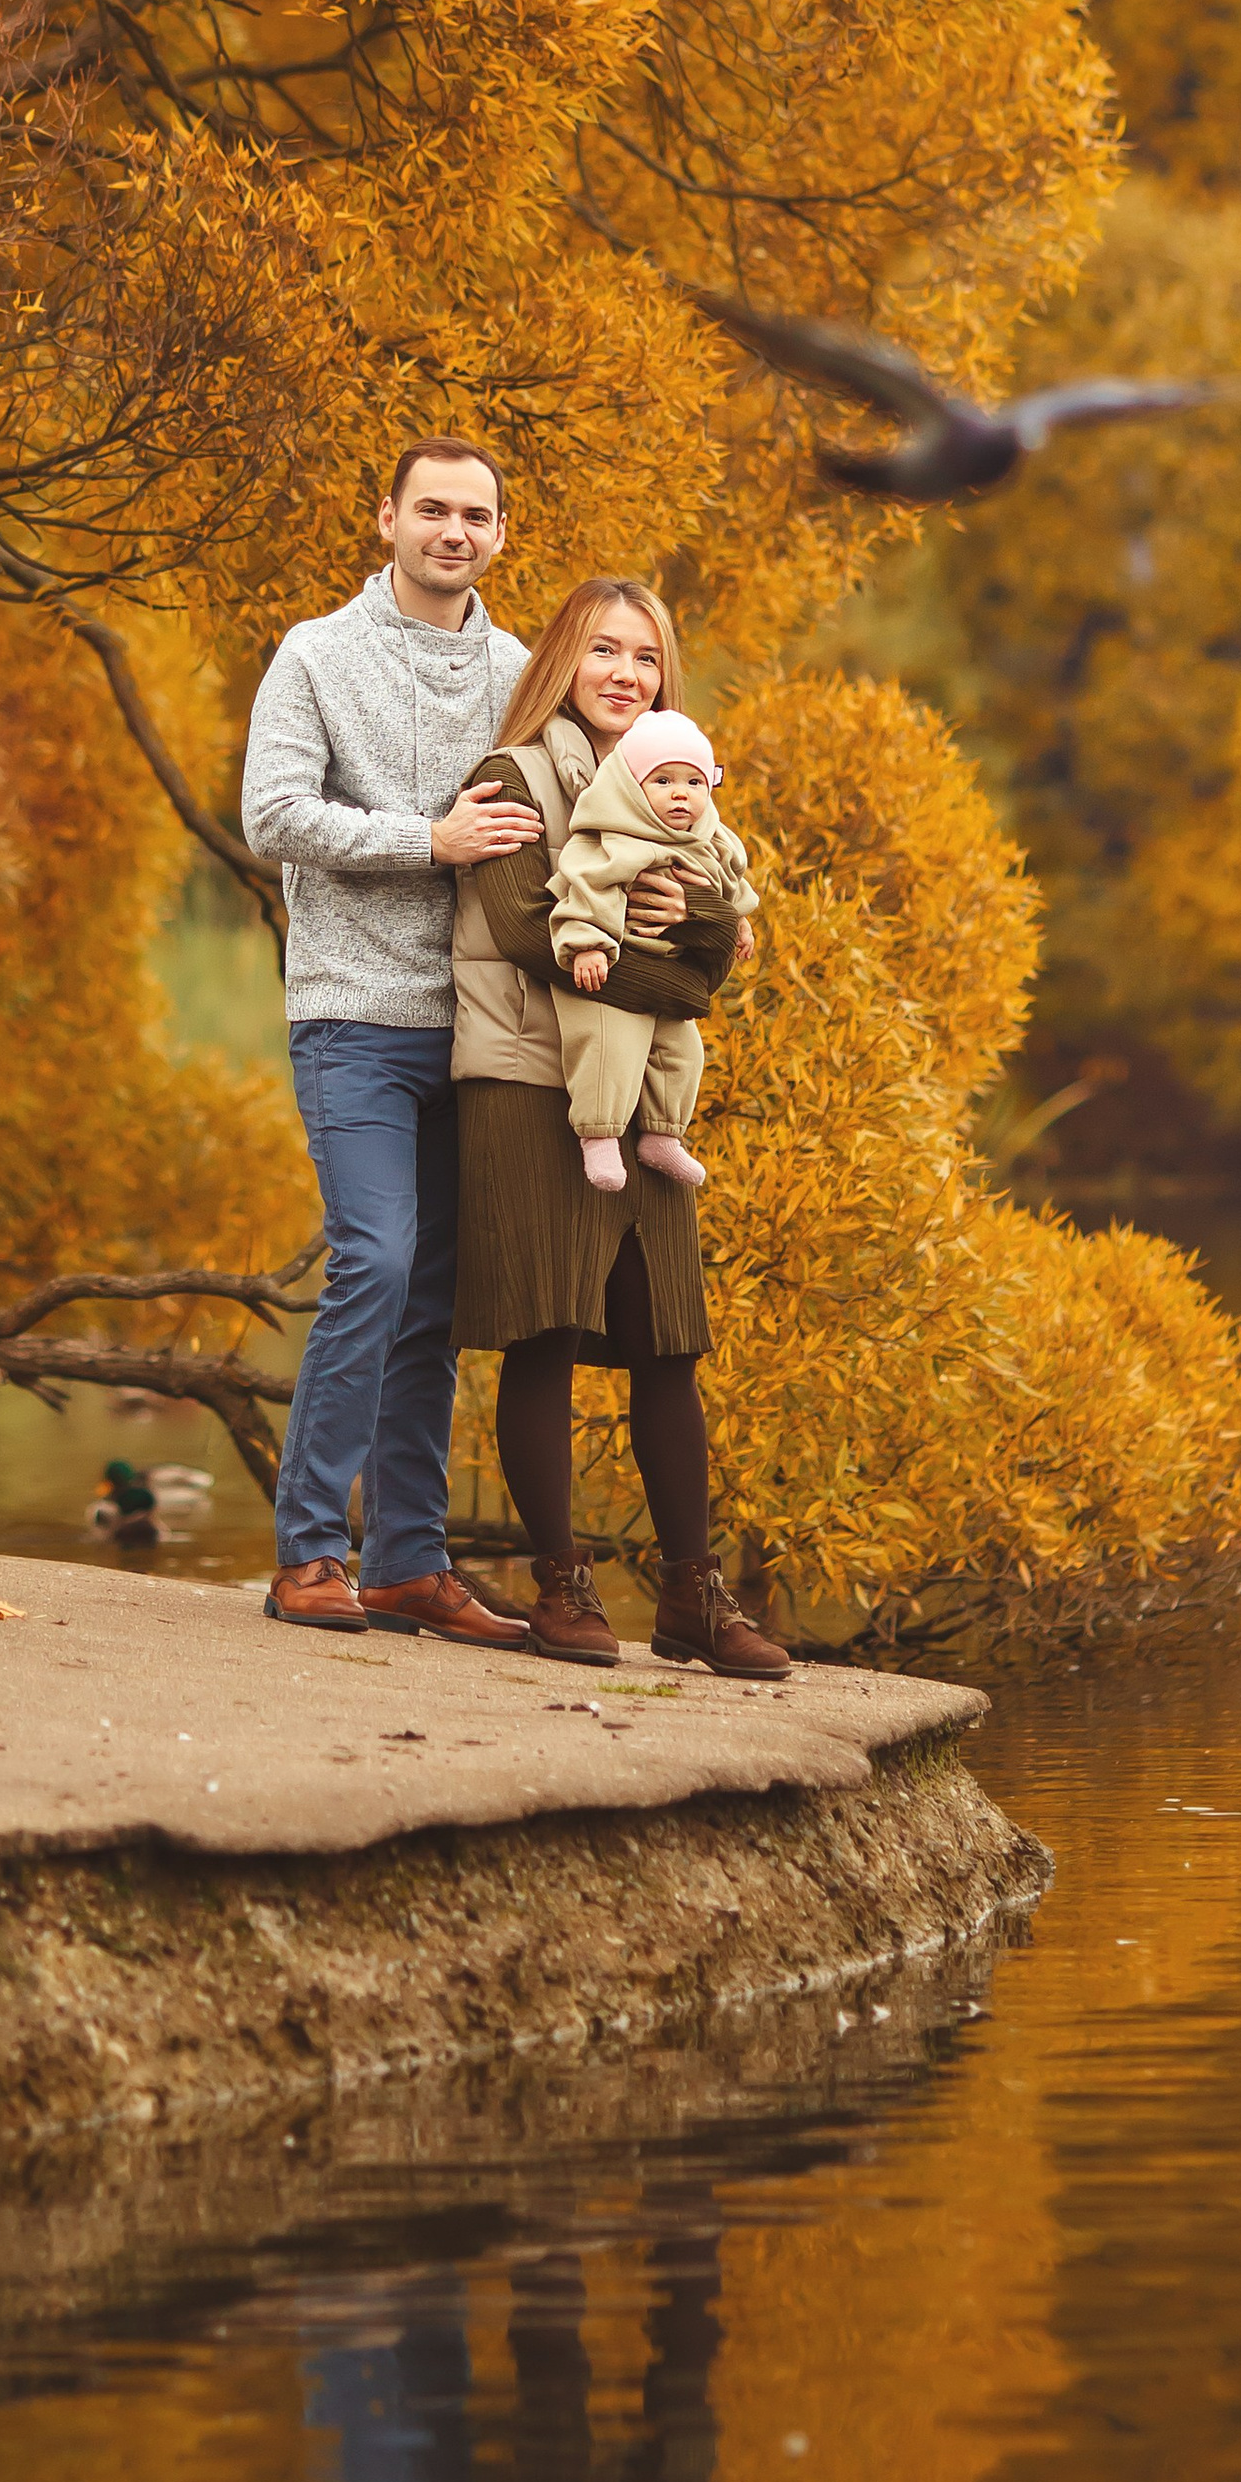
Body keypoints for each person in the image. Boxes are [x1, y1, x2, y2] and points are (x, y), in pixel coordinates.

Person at [448, 578, 791, 1681]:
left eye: (643, 657)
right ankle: (561, 1582)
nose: (624, 673)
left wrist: (688, 934)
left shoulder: (679, 789)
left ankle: (691, 1594)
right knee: (546, 1335)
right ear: (563, 660)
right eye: (602, 650)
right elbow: (521, 929)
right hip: (526, 1083)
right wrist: (679, 975)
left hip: (641, 1099)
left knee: (666, 1343)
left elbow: (716, 943)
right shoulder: (511, 777)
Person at [241, 437, 544, 1642]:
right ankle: (310, 1552)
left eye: (476, 514)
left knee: (432, 1296)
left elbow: (600, 812)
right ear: (387, 520)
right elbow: (272, 814)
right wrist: (430, 840)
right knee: (373, 1255)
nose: (452, 531)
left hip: (479, 1029)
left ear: (501, 535)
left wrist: (698, 911)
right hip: (352, 1013)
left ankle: (410, 1561)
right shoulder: (314, 654)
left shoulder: (522, 671)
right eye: (432, 509)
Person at [550, 707, 757, 1193]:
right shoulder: (615, 839)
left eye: (694, 782)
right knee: (608, 1049)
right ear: (631, 788)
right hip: (616, 968)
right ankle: (599, 1135)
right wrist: (588, 946)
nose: (681, 794)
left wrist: (737, 920)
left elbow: (730, 881)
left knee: (683, 1053)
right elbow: (586, 888)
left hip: (673, 973)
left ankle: (663, 1136)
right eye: (662, 780)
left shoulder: (709, 840)